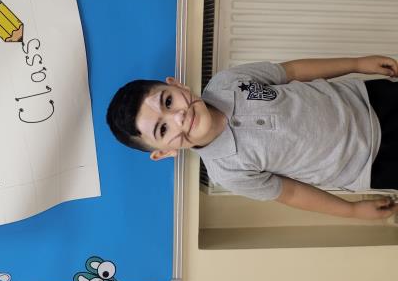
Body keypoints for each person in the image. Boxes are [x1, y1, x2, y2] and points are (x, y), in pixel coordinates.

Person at [106, 55, 398, 219]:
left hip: (370, 99)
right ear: (163, 152)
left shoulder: (227, 82)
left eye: (168, 101)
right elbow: (292, 193)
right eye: (163, 129)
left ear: (176, 84)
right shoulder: (228, 172)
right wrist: (352, 210)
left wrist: (357, 63)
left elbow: (292, 71)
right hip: (371, 165)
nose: (178, 116)